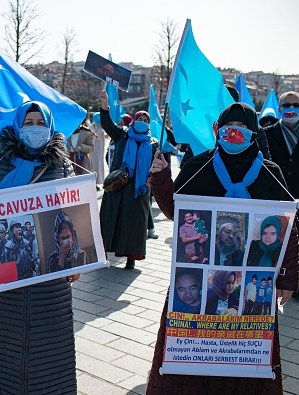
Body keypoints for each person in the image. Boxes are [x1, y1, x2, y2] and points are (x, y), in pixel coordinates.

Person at [147, 102, 298, 393]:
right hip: (198, 281)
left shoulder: (270, 171)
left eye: (242, 128)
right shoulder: (198, 165)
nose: (235, 133)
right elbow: (173, 211)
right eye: (230, 127)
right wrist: (162, 177)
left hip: (252, 286)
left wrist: (289, 276)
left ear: (254, 133)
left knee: (244, 365)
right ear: (219, 130)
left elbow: (287, 225)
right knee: (189, 366)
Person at [0, 100, 77, 394]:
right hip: (4, 278)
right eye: (28, 123)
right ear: (18, 126)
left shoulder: (62, 165)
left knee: (50, 356)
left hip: (50, 280)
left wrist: (76, 259)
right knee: (0, 351)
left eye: (40, 123)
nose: (34, 129)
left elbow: (73, 213)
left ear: (50, 126)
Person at [99, 90, 157, 269]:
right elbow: (107, 124)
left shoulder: (153, 143)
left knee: (133, 226)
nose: (143, 122)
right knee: (110, 221)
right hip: (117, 186)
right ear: (133, 120)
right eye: (140, 119)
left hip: (138, 190)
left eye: (146, 121)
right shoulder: (122, 134)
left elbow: (157, 166)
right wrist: (104, 105)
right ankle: (104, 254)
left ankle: (130, 259)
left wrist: (153, 180)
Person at [263, 91, 299, 198]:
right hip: (277, 196)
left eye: (296, 105)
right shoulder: (266, 134)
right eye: (286, 105)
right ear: (279, 109)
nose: (291, 108)